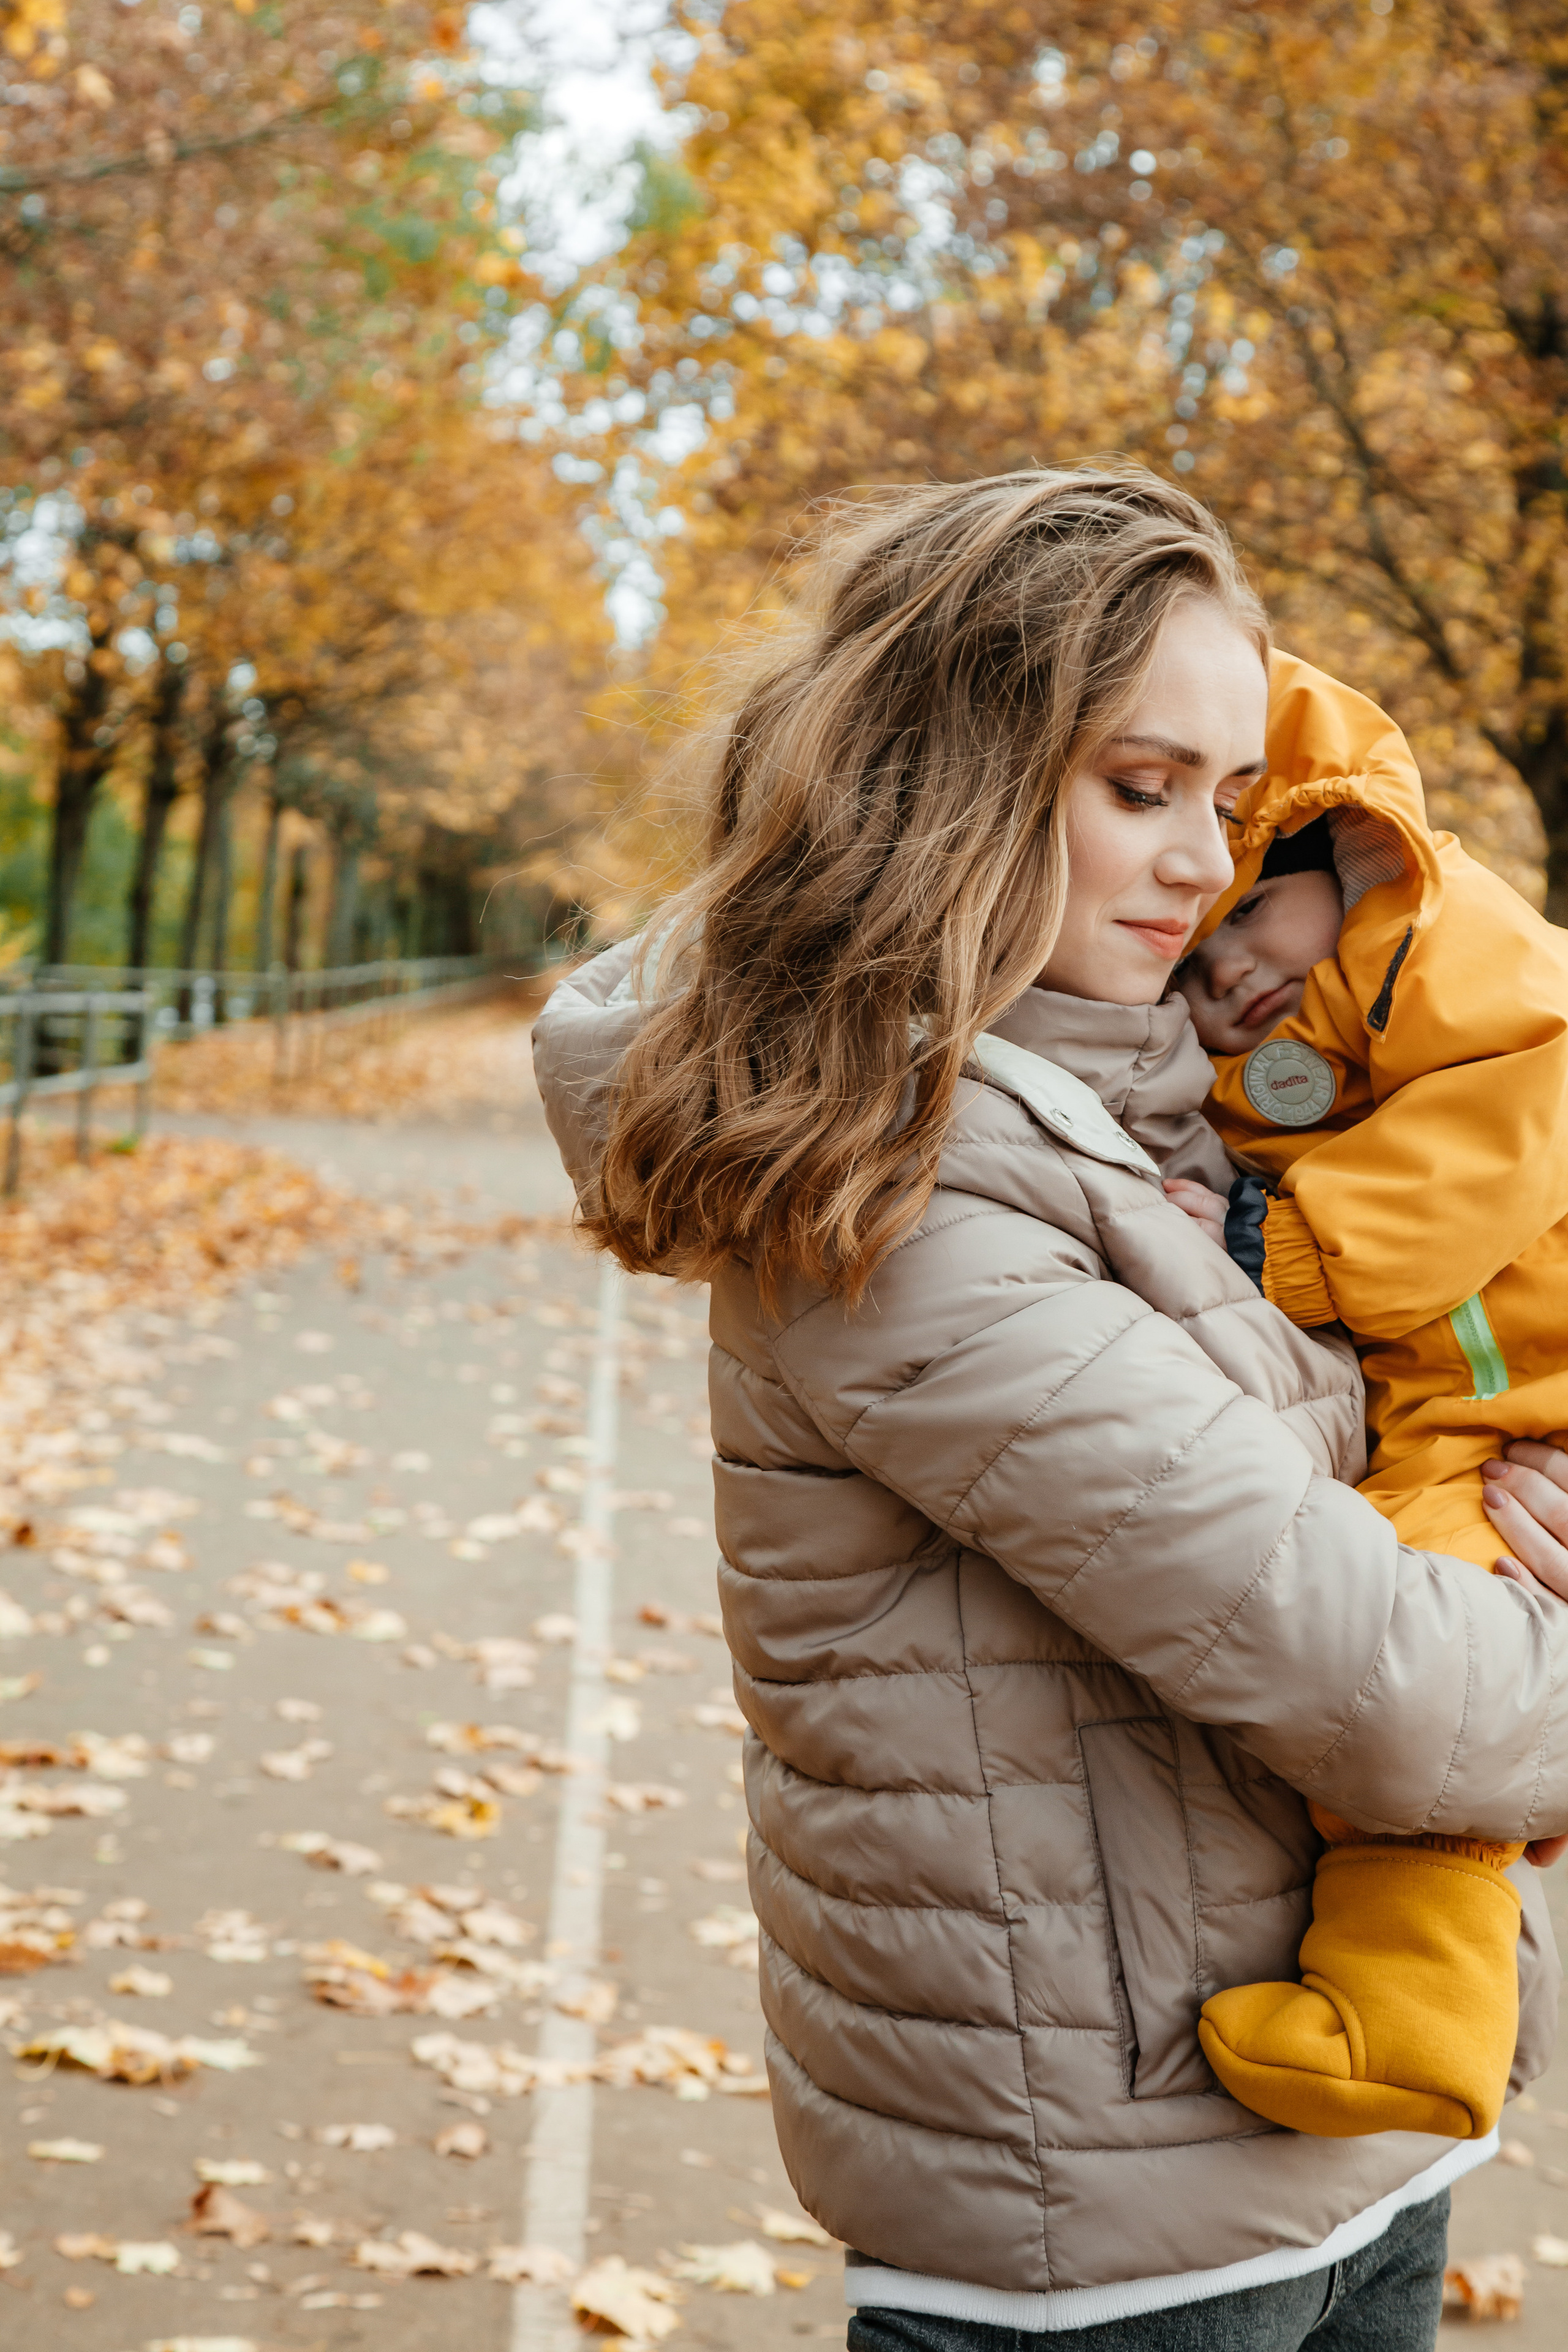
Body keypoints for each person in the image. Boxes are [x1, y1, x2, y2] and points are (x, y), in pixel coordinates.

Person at [532, 470, 1568, 2352]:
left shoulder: (1192, 1097)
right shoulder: (892, 1197)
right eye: (1138, 786)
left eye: (1234, 802)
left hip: (1345, 2143)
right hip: (1107, 2216)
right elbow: (1390, 1682)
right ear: (952, 777)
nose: (1203, 862)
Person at [1165, 658, 1568, 2145]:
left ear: (1332, 845)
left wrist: (1276, 1241)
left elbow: (1527, 1099)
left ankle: (1414, 2015)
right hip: (1473, 1398)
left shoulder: (1454, 940)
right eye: (1195, 974)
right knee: (1427, 1641)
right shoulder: (1304, 1049)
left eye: (1250, 919)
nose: (1235, 977)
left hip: (1513, 1383)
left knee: (1430, 1670)